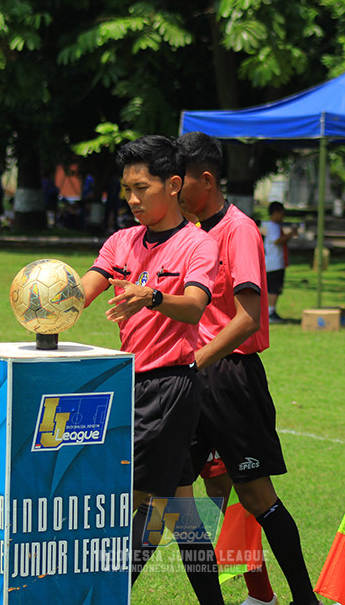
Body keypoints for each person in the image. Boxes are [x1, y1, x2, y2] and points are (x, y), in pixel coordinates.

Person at [79, 135, 224, 604]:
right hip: (130, 386)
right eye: (127, 189)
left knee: (142, 506)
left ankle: (107, 596)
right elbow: (85, 289)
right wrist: (48, 297)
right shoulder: (122, 240)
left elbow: (196, 307)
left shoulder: (197, 245)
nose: (133, 199)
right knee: (184, 512)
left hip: (168, 389)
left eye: (143, 188)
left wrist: (154, 296)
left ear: (174, 184)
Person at [177, 132, 319, 605]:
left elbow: (247, 320)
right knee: (170, 499)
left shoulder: (238, 230)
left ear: (207, 180)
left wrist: (196, 360)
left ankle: (304, 599)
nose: (171, 192)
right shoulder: (190, 232)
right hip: (190, 378)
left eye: (179, 183)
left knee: (258, 499)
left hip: (229, 378)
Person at [262, 201, 297, 323]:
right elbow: (276, 241)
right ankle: (270, 312)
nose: (283, 216)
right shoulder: (272, 226)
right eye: (282, 213)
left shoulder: (275, 226)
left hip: (276, 262)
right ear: (275, 213)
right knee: (274, 288)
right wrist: (291, 234)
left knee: (276, 287)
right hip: (274, 263)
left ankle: (271, 310)